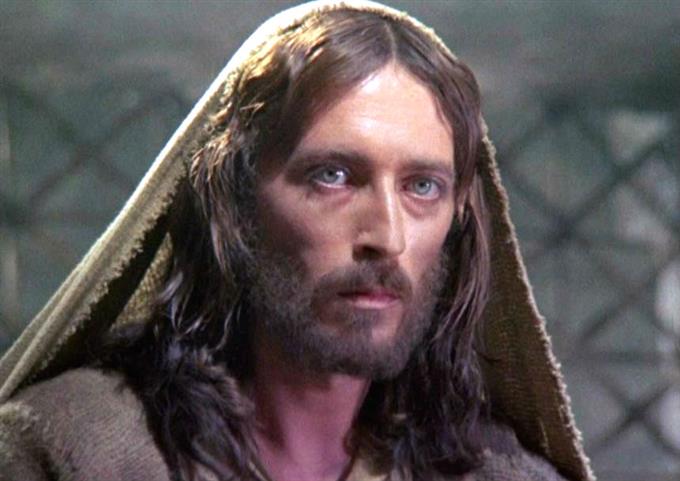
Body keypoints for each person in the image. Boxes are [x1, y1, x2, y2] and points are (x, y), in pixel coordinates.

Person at [0, 2, 594, 481]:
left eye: (422, 186)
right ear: (237, 200)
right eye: (333, 176)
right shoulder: (72, 450)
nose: (387, 237)